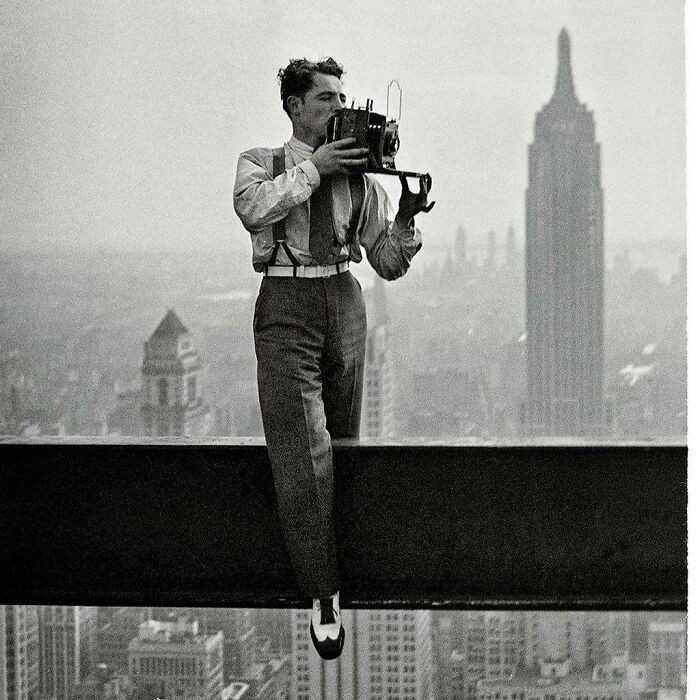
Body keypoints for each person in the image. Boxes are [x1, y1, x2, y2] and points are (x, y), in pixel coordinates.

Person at [233, 57, 434, 660]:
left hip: (345, 300)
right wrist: (314, 170)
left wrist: (403, 215)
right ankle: (324, 592)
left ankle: (340, 562)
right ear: (295, 107)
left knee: (343, 446)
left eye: (342, 97)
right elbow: (252, 208)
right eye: (325, 99)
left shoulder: (361, 179)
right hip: (286, 300)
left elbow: (389, 264)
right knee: (304, 451)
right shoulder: (261, 162)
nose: (338, 108)